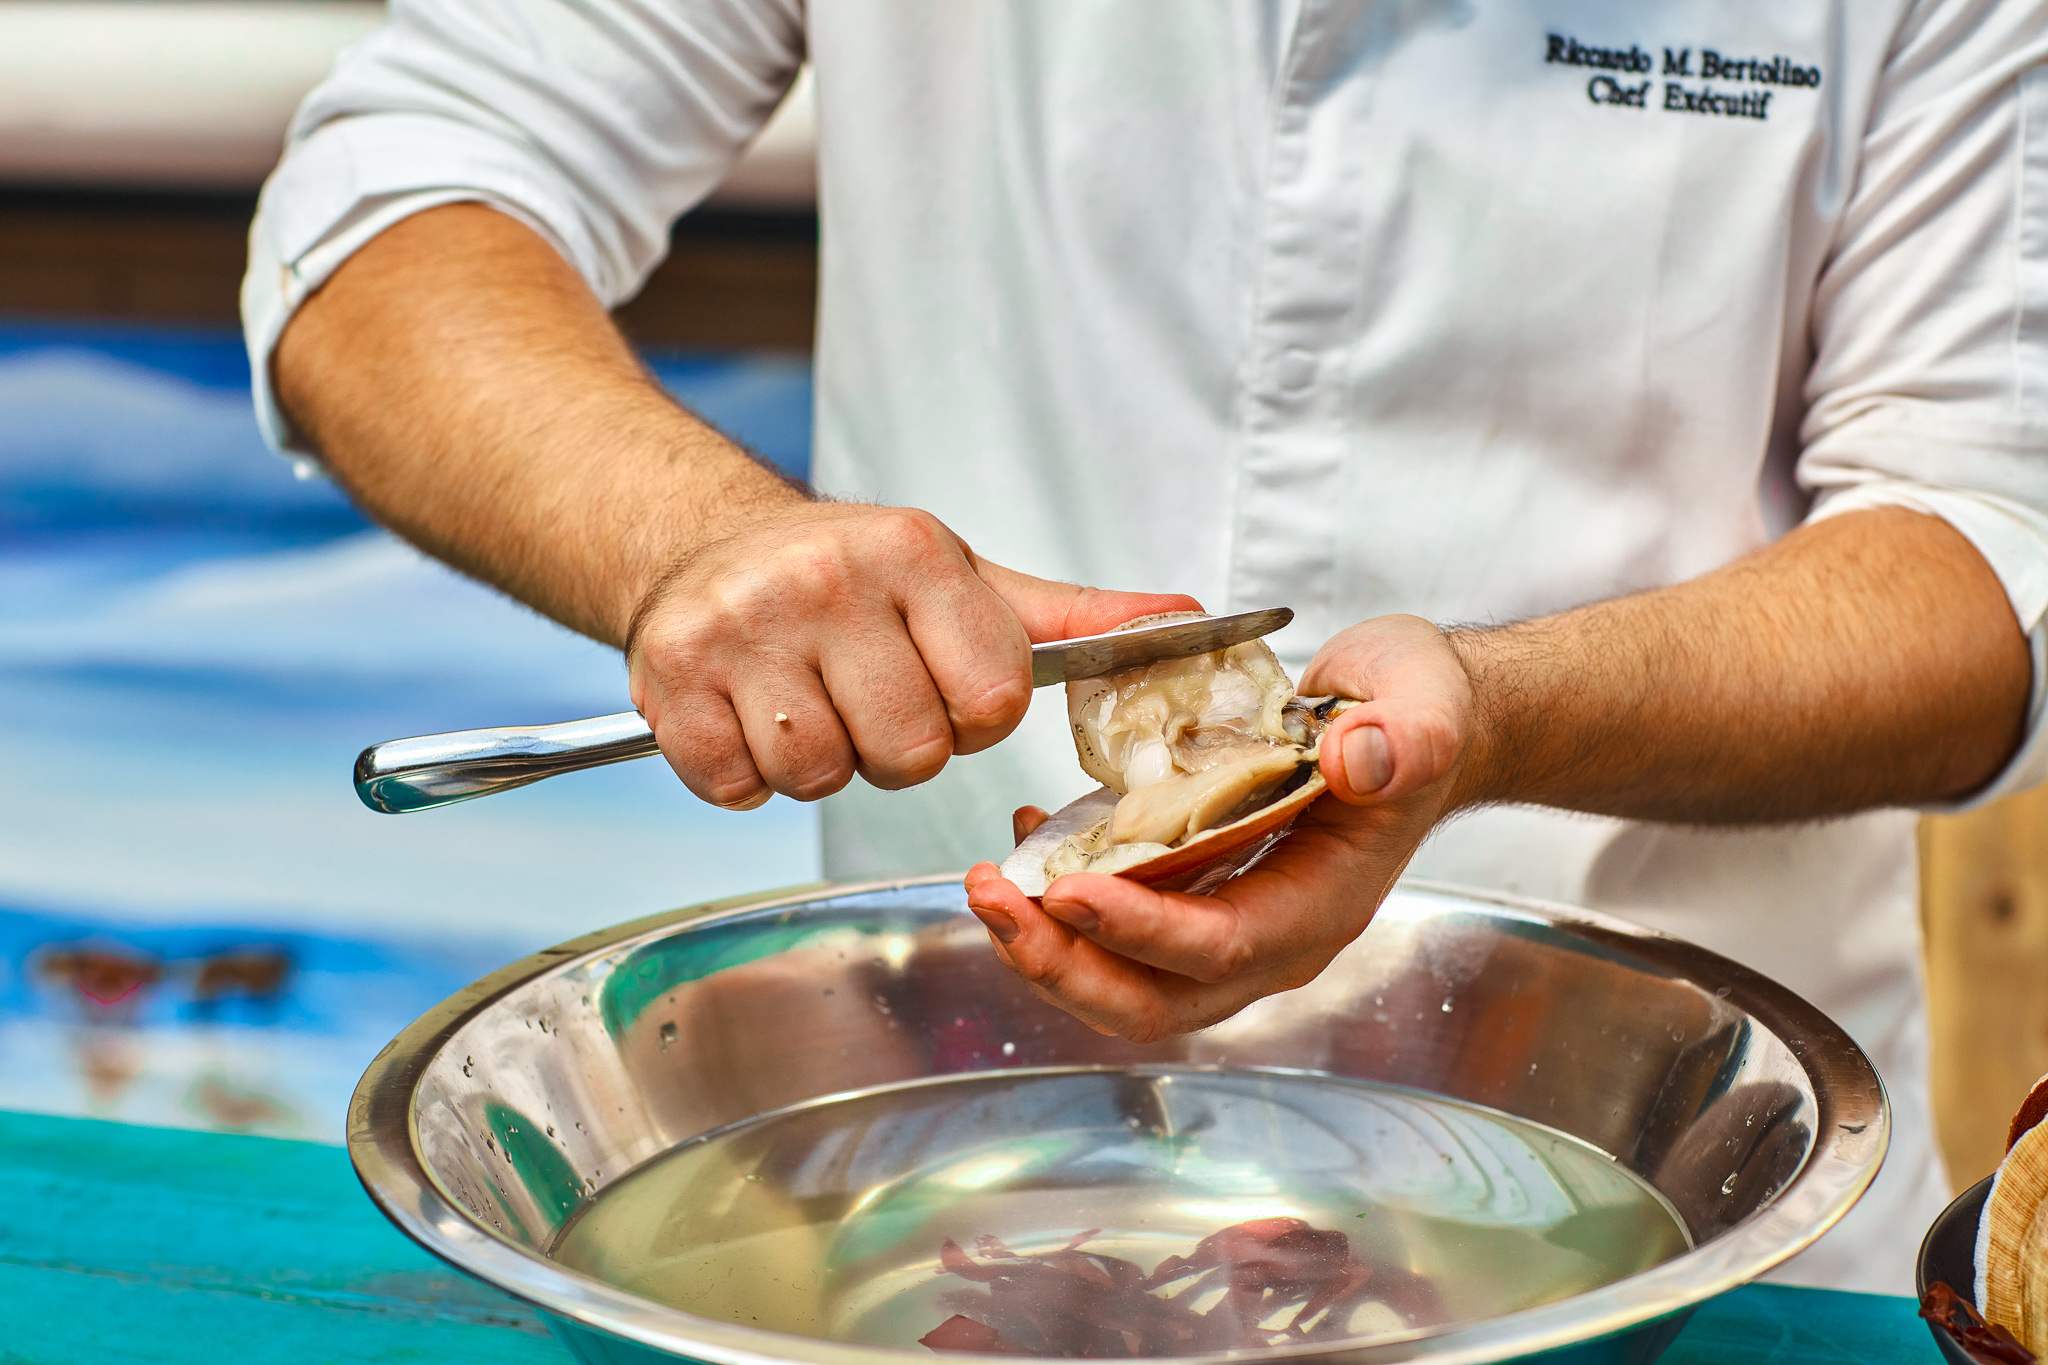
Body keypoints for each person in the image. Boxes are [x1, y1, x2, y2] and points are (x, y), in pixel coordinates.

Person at [245, 3, 2048, 1293]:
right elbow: (389, 209)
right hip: (933, 1193)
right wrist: (696, 541)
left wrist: (1499, 716)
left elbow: (1991, 553)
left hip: (1661, 1202)